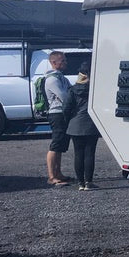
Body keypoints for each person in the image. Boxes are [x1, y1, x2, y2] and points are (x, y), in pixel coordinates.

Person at [63, 62, 102, 190]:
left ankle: (80, 183)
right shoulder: (95, 89)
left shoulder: (73, 90)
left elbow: (66, 108)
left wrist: (68, 120)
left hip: (75, 124)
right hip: (91, 124)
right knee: (90, 153)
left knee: (78, 154)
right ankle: (89, 182)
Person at [44, 51, 72, 186]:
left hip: (63, 113)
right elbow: (64, 96)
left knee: (61, 145)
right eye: (63, 61)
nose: (65, 63)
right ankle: (51, 176)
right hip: (57, 114)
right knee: (55, 144)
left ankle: (58, 173)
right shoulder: (52, 79)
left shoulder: (61, 77)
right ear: (54, 62)